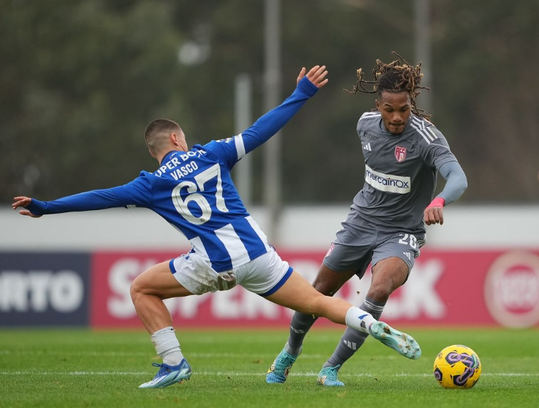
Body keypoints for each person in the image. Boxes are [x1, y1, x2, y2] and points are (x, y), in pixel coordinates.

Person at [13, 64, 420, 390]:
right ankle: (367, 322)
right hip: (259, 253)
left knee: (141, 288)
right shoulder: (212, 154)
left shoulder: (149, 183)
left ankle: (173, 363)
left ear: (156, 149)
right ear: (177, 137)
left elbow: (99, 197)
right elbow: (260, 131)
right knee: (316, 302)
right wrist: (301, 94)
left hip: (214, 263)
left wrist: (47, 207)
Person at [266, 53, 468, 387]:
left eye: (403, 109)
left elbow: (458, 177)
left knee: (380, 288)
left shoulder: (426, 138)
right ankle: (289, 351)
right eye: (389, 109)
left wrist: (440, 199)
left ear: (411, 103)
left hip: (401, 231)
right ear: (379, 105)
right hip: (360, 223)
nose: (397, 117)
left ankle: (331, 368)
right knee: (318, 291)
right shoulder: (364, 124)